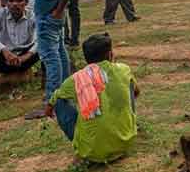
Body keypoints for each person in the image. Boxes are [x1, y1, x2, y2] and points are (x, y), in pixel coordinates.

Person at [47, 33, 138, 163]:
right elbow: (136, 92)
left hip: (92, 152)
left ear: (86, 58)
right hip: (125, 143)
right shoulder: (124, 69)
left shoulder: (77, 78)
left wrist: (49, 109)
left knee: (59, 101)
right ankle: (125, 127)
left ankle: (82, 148)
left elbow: (54, 98)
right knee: (130, 85)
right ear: (110, 54)